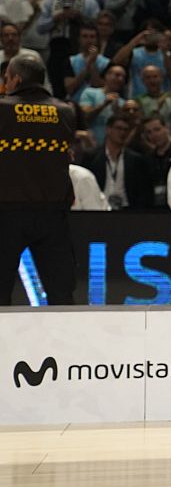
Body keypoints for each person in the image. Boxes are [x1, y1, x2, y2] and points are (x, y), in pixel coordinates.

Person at [0, 55, 77, 305]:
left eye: (7, 78)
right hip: (52, 214)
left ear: (17, 79)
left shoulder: (3, 109)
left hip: (7, 213)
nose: (5, 84)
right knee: (61, 294)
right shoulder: (64, 112)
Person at [81, 113, 153, 210]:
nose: (122, 133)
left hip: (127, 211)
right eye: (119, 128)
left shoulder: (136, 160)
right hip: (99, 209)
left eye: (126, 130)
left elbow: (144, 193)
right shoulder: (91, 157)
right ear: (108, 130)